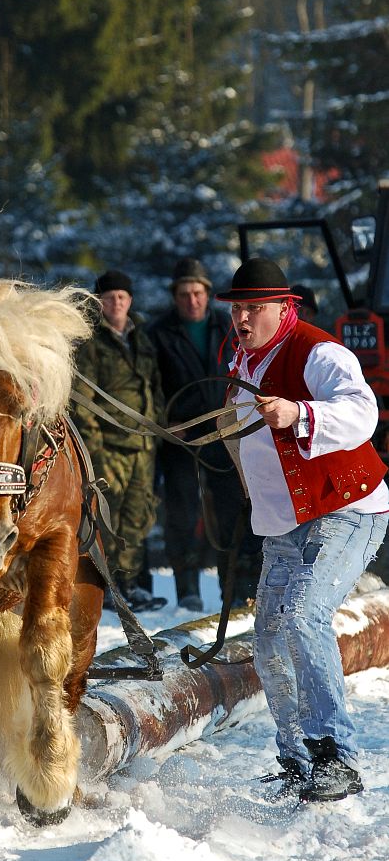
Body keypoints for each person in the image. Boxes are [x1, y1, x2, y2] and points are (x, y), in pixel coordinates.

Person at [217, 257, 389, 802]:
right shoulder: (239, 358)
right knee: (269, 635)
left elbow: (365, 412)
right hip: (287, 522)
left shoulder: (318, 351)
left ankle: (335, 754)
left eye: (254, 308)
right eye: (237, 308)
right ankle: (296, 757)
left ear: (283, 308)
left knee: (302, 616)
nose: (242, 318)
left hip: (348, 508)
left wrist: (302, 414)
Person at [148, 258, 262, 610]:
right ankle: (188, 589)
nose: (191, 300)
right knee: (183, 511)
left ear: (207, 294)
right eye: (184, 294)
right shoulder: (157, 333)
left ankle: (234, 587)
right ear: (175, 296)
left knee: (231, 509)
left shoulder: (226, 327)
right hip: (181, 434)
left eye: (197, 292)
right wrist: (164, 421)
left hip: (223, 432)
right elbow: (149, 384)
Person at [72, 270, 166, 611]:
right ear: (99, 302)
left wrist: (159, 425)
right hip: (109, 447)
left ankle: (129, 582)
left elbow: (152, 385)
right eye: (110, 297)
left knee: (138, 517)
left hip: (142, 445)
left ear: (130, 301)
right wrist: (94, 445)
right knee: (106, 519)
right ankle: (107, 584)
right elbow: (81, 397)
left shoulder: (141, 337)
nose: (117, 303)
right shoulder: (91, 342)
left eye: (122, 297)